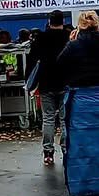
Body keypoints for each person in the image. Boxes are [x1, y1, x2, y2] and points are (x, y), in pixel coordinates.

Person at [54, 10, 99, 196]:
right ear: (97, 24)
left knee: (80, 148)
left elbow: (59, 64)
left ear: (79, 26)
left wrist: (70, 42)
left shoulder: (74, 45)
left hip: (82, 100)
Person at [27, 10, 73, 167]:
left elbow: (32, 61)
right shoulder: (69, 37)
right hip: (65, 83)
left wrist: (29, 82)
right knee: (65, 119)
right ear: (63, 21)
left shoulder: (41, 38)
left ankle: (48, 152)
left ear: (49, 21)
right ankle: (66, 149)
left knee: (48, 118)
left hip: (46, 83)